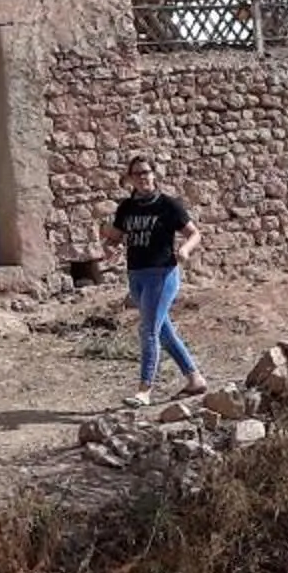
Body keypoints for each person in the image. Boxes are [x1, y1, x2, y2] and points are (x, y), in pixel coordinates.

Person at [103, 154, 206, 407]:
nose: (143, 177)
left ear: (154, 174)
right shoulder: (126, 208)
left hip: (162, 274)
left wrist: (185, 250)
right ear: (130, 179)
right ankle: (195, 379)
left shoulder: (168, 205)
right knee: (162, 330)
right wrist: (110, 248)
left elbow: (194, 233)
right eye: (137, 174)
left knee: (148, 330)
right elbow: (114, 238)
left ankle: (144, 390)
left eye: (147, 172)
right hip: (136, 274)